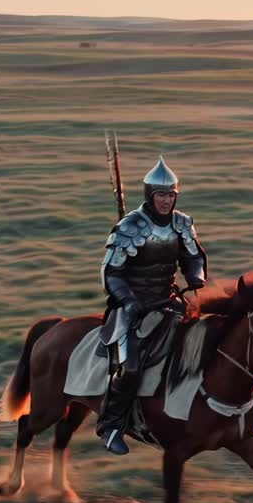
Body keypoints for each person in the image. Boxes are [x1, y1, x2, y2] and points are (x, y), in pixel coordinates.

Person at [96, 156, 208, 455]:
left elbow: (193, 256)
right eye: (161, 194)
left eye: (171, 195)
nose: (166, 200)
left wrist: (195, 275)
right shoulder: (130, 226)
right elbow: (111, 273)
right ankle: (110, 427)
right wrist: (129, 301)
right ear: (150, 195)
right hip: (131, 308)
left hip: (168, 302)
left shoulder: (182, 223)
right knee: (130, 368)